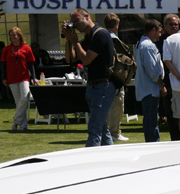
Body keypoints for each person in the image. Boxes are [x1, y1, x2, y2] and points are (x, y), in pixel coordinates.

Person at [63, 8, 115, 147]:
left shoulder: (101, 34)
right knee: (102, 128)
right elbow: (70, 59)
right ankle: (110, 156)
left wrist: (75, 41)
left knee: (94, 128)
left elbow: (86, 60)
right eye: (72, 23)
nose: (75, 25)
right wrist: (69, 40)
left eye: (77, 21)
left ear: (87, 16)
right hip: (93, 86)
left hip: (103, 86)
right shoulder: (88, 37)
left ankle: (90, 156)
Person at [1, 27, 36, 132]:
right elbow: (3, 64)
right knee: (18, 102)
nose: (13, 37)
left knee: (25, 99)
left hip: (24, 77)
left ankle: (16, 120)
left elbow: (31, 64)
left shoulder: (26, 48)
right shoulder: (6, 49)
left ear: (20, 36)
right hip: (12, 77)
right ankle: (23, 125)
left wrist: (34, 78)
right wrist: (3, 78)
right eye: (11, 35)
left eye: (15, 35)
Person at [135, 18, 165, 143]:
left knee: (149, 119)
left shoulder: (140, 44)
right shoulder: (148, 46)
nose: (160, 35)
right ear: (153, 30)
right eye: (159, 31)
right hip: (150, 89)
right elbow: (153, 71)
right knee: (152, 121)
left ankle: (150, 143)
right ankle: (153, 144)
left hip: (145, 88)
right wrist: (162, 85)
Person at [104, 13, 130, 142]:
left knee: (106, 107)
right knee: (117, 106)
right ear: (116, 25)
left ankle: (107, 132)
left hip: (104, 78)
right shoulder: (115, 40)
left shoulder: (101, 37)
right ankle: (114, 132)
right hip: (116, 77)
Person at [158, 14, 180, 141]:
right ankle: (175, 139)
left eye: (176, 24)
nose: (174, 26)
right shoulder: (161, 41)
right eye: (171, 24)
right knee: (171, 113)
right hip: (168, 81)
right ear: (165, 26)